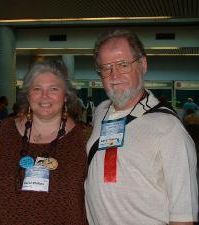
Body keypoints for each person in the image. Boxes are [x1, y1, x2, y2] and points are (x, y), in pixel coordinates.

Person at [85, 29, 198, 225]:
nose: (114, 75)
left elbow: (183, 214)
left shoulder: (169, 128)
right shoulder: (101, 111)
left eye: (123, 64)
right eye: (106, 68)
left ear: (143, 64)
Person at [0, 59, 88, 225]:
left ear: (65, 96)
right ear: (28, 96)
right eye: (37, 89)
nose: (45, 96)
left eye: (53, 89)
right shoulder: (4, 131)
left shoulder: (83, 138)